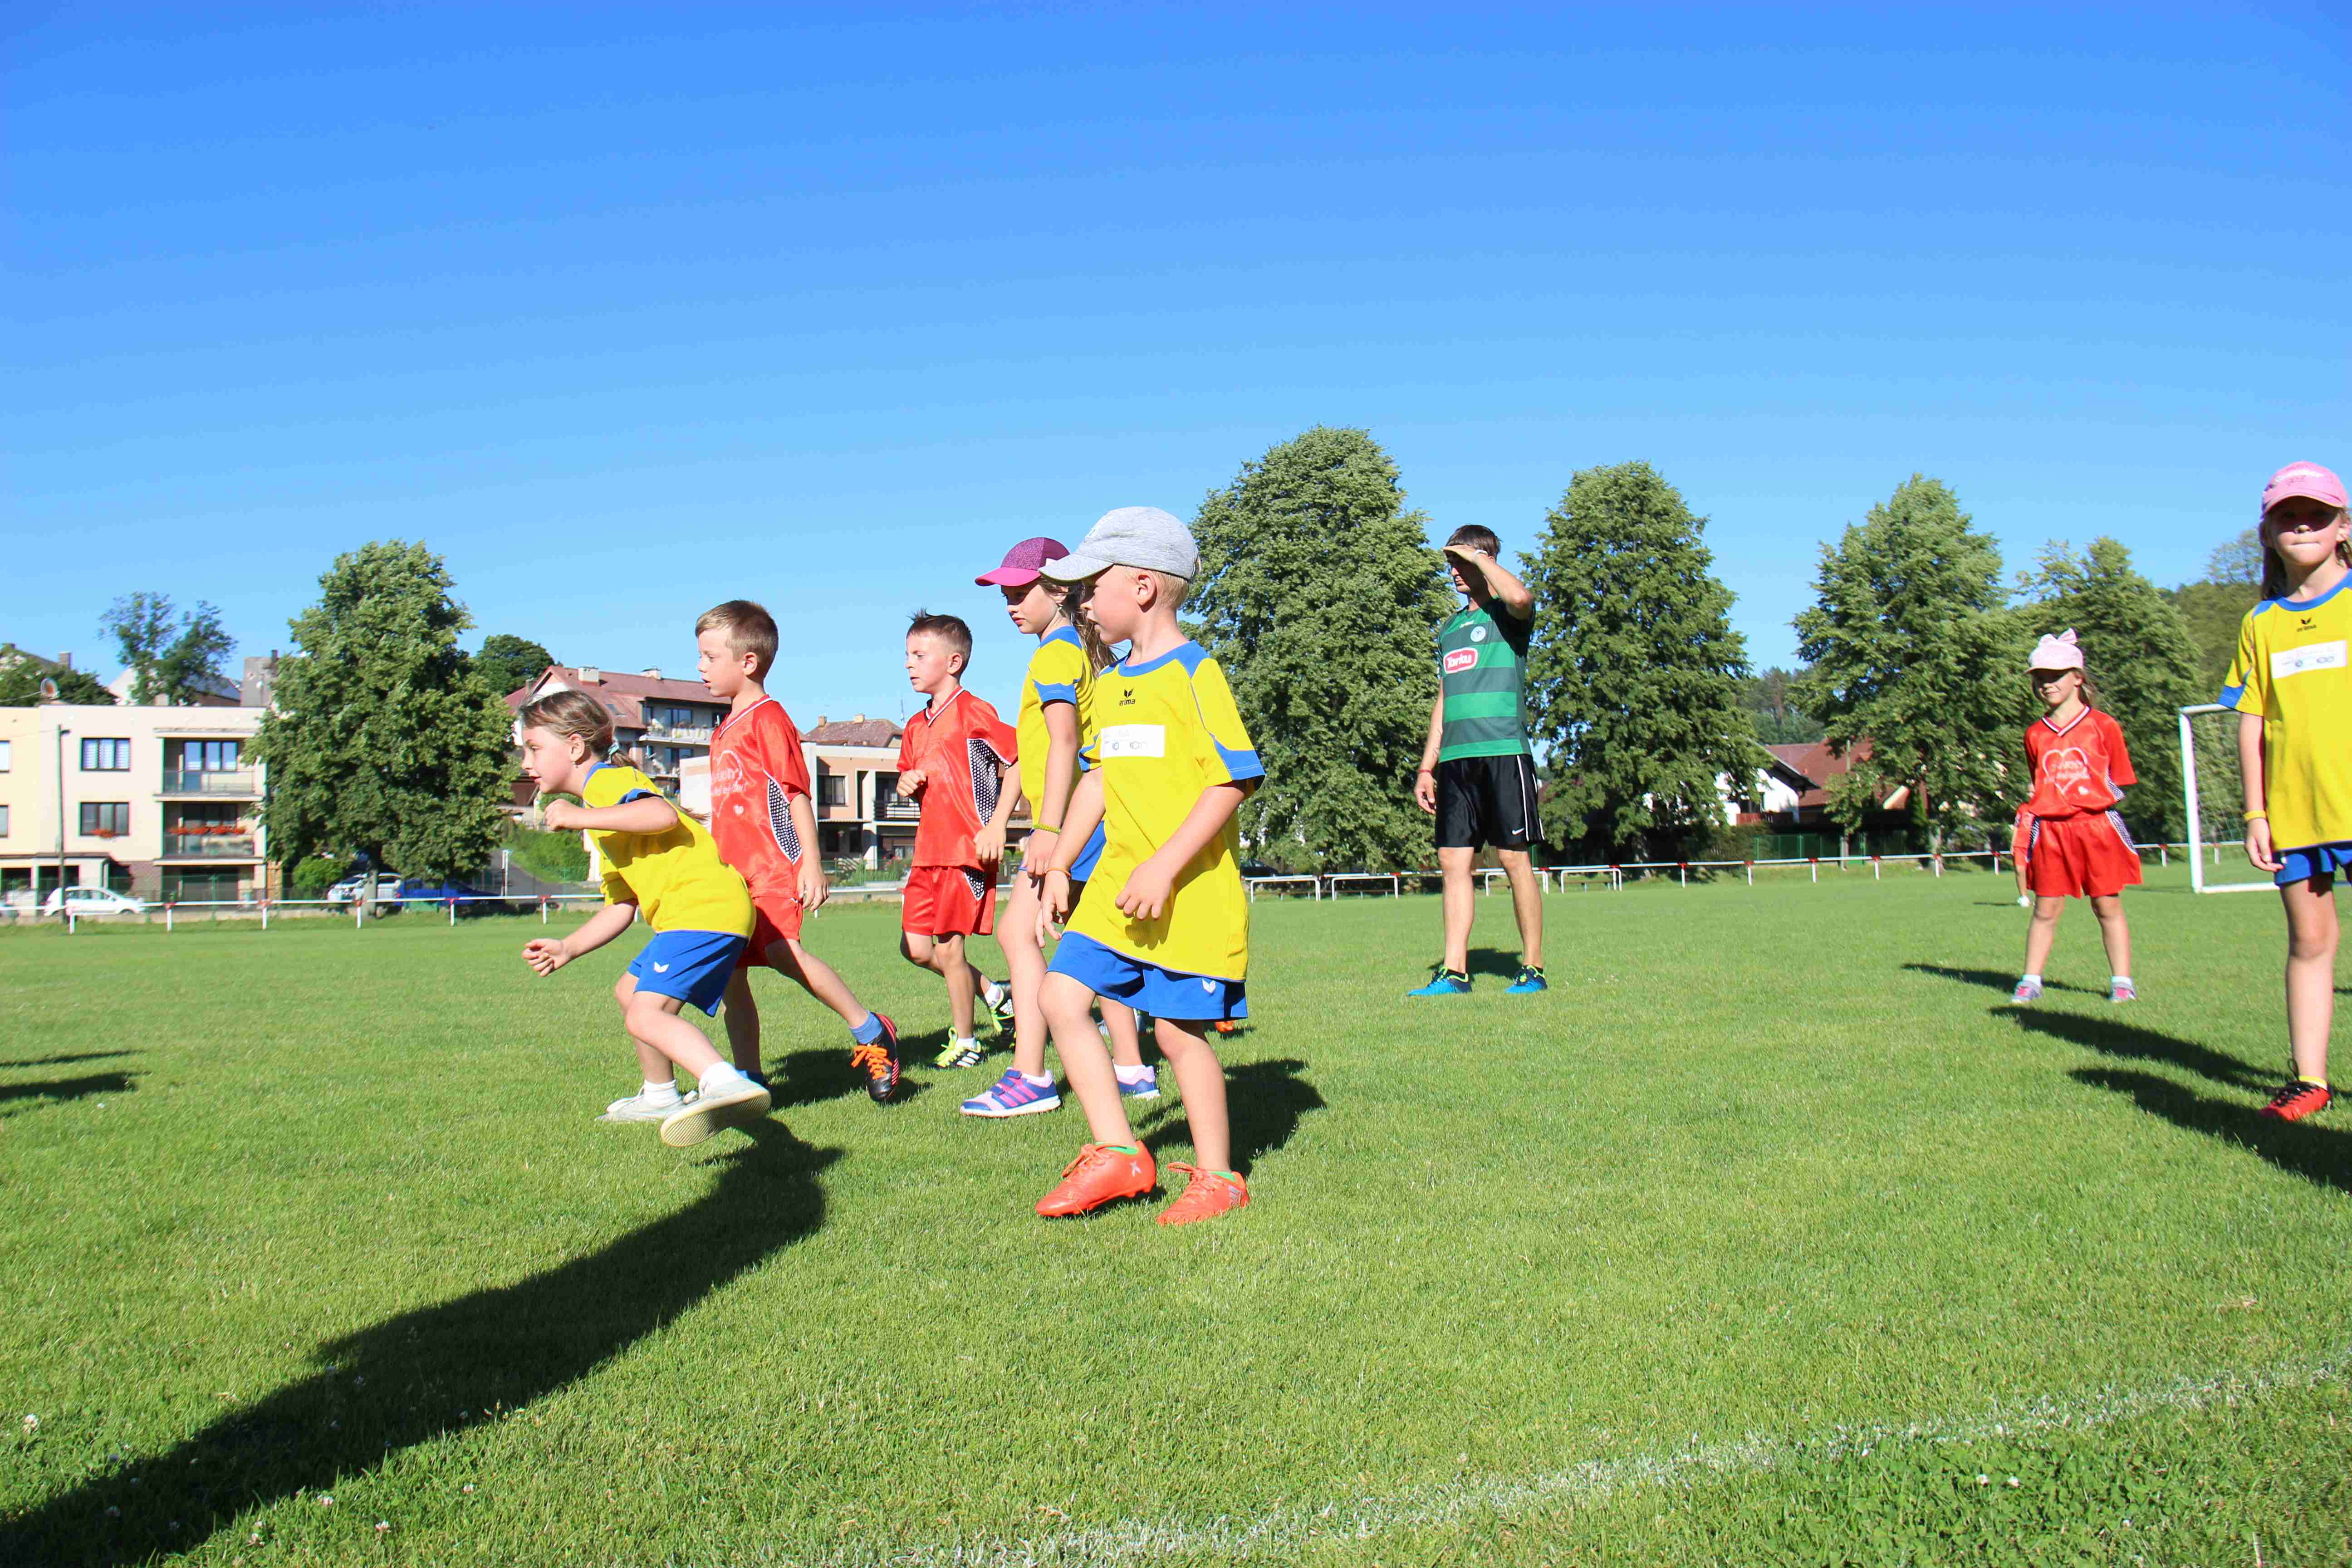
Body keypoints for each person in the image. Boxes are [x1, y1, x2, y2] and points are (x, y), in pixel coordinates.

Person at [1032, 506, 1263, 1225]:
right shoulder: (1110, 684)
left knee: (1175, 1033)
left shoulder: (1196, 673)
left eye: (1091, 587)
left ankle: (1220, 1179)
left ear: (1141, 588)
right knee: (1059, 997)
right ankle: (1119, 1153)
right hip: (1113, 887)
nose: (1082, 603)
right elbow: (1099, 779)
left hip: (1185, 893)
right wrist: (1061, 865)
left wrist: (1163, 866)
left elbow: (1232, 779)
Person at [516, 689, 771, 1147]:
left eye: (534, 748)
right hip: (694, 913)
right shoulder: (601, 815)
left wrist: (578, 818)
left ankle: (724, 1083)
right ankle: (659, 1096)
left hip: (704, 908)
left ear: (574, 747)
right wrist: (569, 947)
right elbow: (621, 905)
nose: (525, 763)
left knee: (645, 1015)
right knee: (628, 992)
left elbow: (659, 814)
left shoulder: (606, 783)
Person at [960, 541, 1153, 1117]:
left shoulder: (1055, 655)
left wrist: (1047, 830)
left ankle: (1031, 1075)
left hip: (1071, 825)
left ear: (1060, 590)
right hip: (1087, 821)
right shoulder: (1077, 649)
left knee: (1016, 934)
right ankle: (1132, 1069)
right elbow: (1035, 752)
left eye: (1021, 593)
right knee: (1091, 942)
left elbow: (1066, 743)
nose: (1011, 605)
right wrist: (1007, 817)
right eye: (1006, 595)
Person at [694, 599, 903, 1104]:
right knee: (731, 976)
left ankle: (871, 1030)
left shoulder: (768, 719)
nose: (700, 667)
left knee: (782, 954)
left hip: (771, 869)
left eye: (710, 657)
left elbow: (796, 794)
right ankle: (749, 1078)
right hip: (730, 877)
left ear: (748, 662)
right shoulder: (723, 729)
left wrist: (811, 861)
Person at [2225, 461, 2352, 1122]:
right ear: (2268, 532)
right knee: (2309, 943)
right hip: (2294, 815)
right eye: (2289, 517)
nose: (2303, 527)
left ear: (2343, 528)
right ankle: (2309, 1081)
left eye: (2318, 516)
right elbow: (2252, 722)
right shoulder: (2262, 623)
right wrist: (2256, 812)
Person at [1409, 525, 1544, 997]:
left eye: (1460, 563)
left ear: (1483, 561)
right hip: (1456, 761)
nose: (1454, 572)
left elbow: (1522, 597)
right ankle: (1454, 973)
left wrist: (1480, 559)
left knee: (1513, 858)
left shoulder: (1509, 615)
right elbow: (1444, 699)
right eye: (1451, 564)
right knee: (1453, 860)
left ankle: (1532, 968)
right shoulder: (1449, 629)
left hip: (1504, 751)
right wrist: (1427, 767)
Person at [896, 611, 1020, 1068]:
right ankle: (994, 993)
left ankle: (967, 1043)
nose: (909, 664)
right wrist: (907, 784)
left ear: (953, 662)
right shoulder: (915, 726)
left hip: (965, 851)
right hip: (926, 854)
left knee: (950, 948)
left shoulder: (974, 711)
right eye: (907, 655)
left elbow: (1019, 762)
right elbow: (912, 779)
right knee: (915, 949)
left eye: (919, 655)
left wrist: (998, 825)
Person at [2004, 630, 2141, 1006]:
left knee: (2107, 906)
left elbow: (2118, 778)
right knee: (2045, 909)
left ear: (2077, 678)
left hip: (2097, 828)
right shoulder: (2035, 733)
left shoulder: (2104, 725)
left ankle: (2122, 982)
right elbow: (2040, 784)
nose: (2046, 684)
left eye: (2055, 676)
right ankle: (2030, 981)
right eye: (2040, 678)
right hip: (2051, 831)